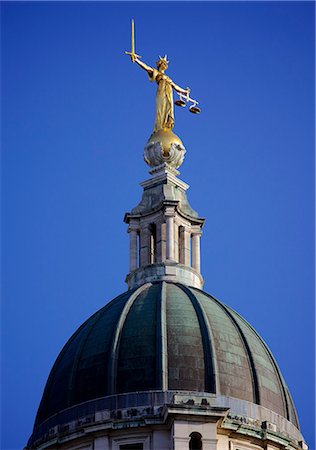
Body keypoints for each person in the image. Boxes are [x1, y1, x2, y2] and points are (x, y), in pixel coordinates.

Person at [131, 54, 190, 132]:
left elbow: (175, 86)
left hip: (169, 94)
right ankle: (160, 125)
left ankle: (167, 125)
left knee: (169, 109)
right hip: (161, 92)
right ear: (159, 64)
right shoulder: (157, 73)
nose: (165, 65)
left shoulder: (168, 78)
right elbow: (147, 68)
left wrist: (184, 92)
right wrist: (136, 60)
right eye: (163, 63)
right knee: (161, 108)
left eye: (166, 64)